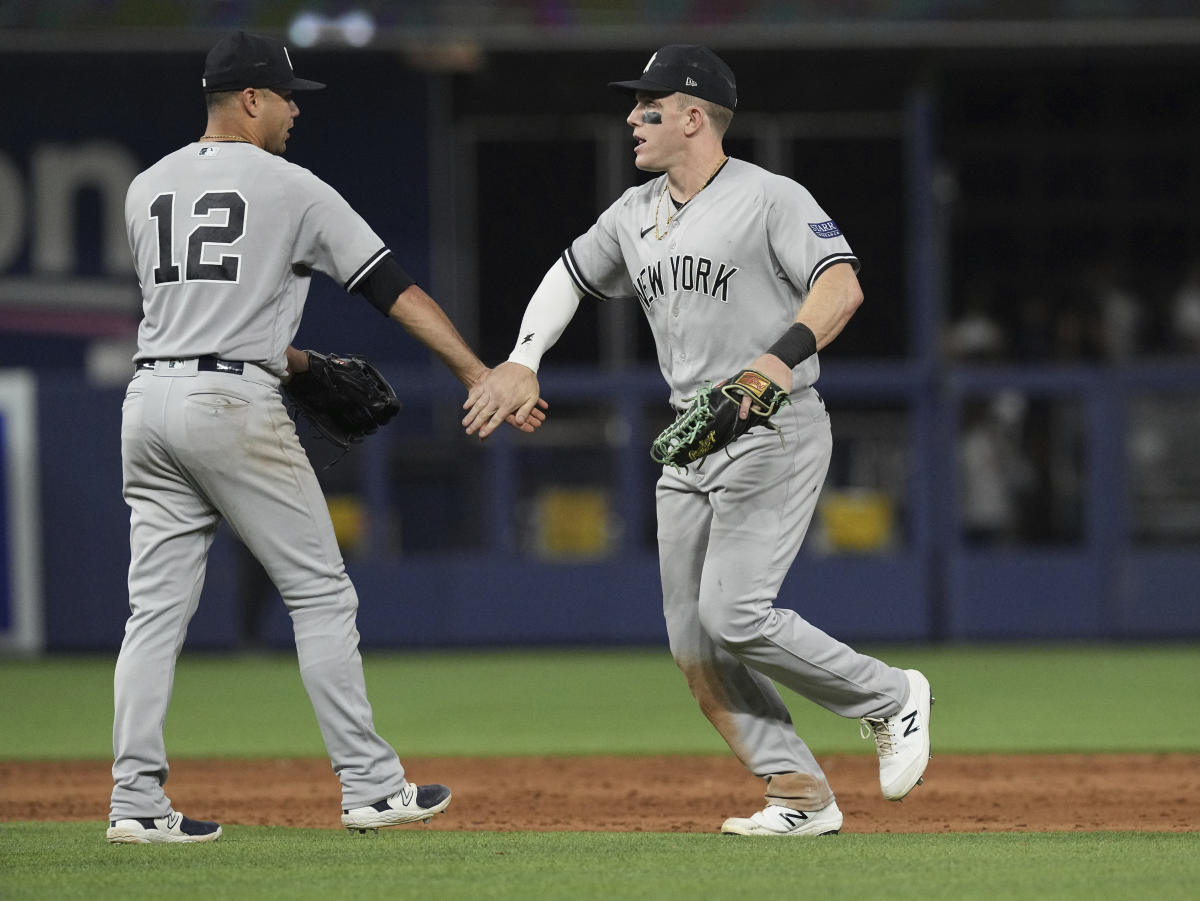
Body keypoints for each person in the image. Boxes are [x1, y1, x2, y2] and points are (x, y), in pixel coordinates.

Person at [463, 44, 932, 836]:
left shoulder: (769, 197)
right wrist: (522, 358)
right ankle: (799, 794)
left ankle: (893, 697)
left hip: (770, 427)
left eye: (647, 105)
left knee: (735, 612)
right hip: (691, 440)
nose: (630, 117)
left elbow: (841, 285)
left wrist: (777, 361)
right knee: (695, 645)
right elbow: (569, 274)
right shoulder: (634, 211)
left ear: (692, 116)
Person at [108, 31, 543, 844]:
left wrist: (297, 359)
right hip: (230, 403)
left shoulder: (144, 187)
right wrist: (477, 373)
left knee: (153, 613)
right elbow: (392, 289)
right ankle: (373, 787)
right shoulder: (291, 186)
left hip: (148, 399)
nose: (295, 107)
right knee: (320, 593)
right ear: (247, 100)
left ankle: (133, 801)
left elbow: (199, 315)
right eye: (283, 94)